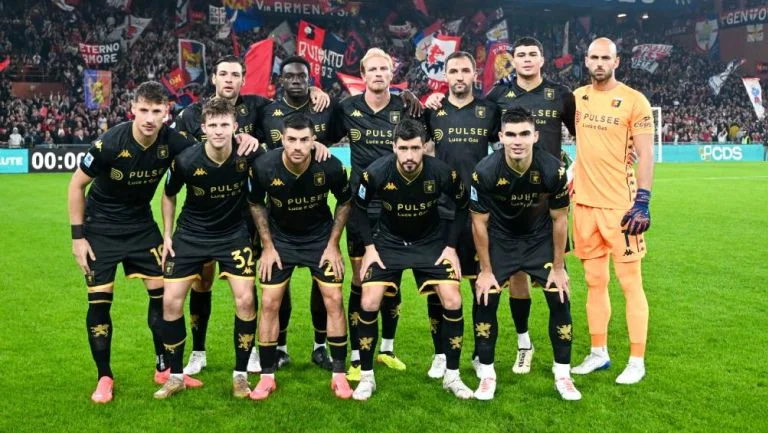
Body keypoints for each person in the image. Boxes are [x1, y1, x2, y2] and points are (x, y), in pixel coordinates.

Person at [171, 55, 330, 375]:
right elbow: (181, 158)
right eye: (223, 74)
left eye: (235, 75)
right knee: (202, 284)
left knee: (253, 284)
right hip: (202, 214)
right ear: (214, 78)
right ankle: (198, 352)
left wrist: (313, 92)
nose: (229, 80)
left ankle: (255, 348)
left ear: (243, 79)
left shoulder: (258, 107)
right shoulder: (191, 115)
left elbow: (291, 106)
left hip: (246, 213)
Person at [427, 37, 576, 374]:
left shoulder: (560, 94)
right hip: (478, 205)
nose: (527, 59)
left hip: (539, 202)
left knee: (534, 280)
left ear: (542, 58)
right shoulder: (496, 98)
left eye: (532, 54)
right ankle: (452, 353)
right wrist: (429, 99)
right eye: (520, 55)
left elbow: (581, 130)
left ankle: (528, 349)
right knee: (459, 280)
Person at [67, 82, 198, 403]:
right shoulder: (109, 143)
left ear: (167, 112)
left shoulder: (173, 142)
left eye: (157, 111)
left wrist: (245, 142)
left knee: (163, 297)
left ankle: (164, 368)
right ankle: (104, 376)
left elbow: (208, 153)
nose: (150, 118)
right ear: (133, 110)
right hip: (101, 229)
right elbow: (76, 186)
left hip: (141, 226)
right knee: (100, 302)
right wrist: (78, 238)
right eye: (144, 110)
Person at [352, 119, 472, 401]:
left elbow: (462, 204)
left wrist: (450, 247)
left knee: (453, 299)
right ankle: (367, 377)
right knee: (368, 301)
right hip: (388, 242)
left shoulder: (441, 172)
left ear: (424, 147)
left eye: (415, 148)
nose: (409, 155)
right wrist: (369, 247)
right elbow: (358, 207)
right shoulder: (376, 172)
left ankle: (452, 376)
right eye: (403, 148)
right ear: (394, 147)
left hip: (430, 243)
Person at [153, 98, 264, 399]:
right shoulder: (186, 161)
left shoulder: (248, 154)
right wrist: (167, 235)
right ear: (203, 128)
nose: (218, 131)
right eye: (213, 125)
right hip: (191, 235)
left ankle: (240, 375)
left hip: (232, 235)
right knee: (171, 302)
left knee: (246, 299)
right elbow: (168, 194)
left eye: (224, 125)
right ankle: (176, 376)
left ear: (235, 127)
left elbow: (275, 169)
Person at [471, 108, 580, 401]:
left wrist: (559, 267)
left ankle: (563, 374)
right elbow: (478, 223)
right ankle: (487, 375)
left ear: (535, 136)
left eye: (523, 134)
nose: (517, 141)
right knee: (485, 298)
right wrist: (485, 271)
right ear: (501, 137)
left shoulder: (553, 170)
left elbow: (560, 219)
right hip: (501, 240)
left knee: (559, 296)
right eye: (510, 134)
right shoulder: (485, 171)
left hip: (538, 239)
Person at [331, 48, 423, 380]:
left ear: (391, 73)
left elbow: (423, 144)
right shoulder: (347, 108)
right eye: (372, 69)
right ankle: (358, 356)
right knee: (361, 280)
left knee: (392, 279)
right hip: (361, 208)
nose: (379, 74)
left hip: (396, 207)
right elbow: (321, 134)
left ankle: (387, 349)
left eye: (384, 68)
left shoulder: (405, 107)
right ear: (363, 74)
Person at [247, 113, 354, 400]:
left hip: (319, 240)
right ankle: (267, 376)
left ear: (313, 141)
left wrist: (333, 244)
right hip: (280, 241)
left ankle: (339, 375)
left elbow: (345, 202)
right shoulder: (264, 166)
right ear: (282, 140)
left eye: (304, 140)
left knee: (334, 298)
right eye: (292, 139)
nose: (297, 146)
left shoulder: (330, 166)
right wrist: (267, 246)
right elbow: (255, 204)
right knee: (269, 302)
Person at [570, 37, 654, 385]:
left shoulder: (635, 100)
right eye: (594, 57)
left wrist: (643, 200)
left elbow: (646, 154)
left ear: (616, 61)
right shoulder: (576, 97)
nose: (599, 63)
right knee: (594, 282)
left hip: (621, 207)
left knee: (630, 283)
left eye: (606, 57)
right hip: (584, 205)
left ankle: (636, 360)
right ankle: (598, 352)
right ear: (586, 60)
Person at [422, 51, 500, 379]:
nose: (458, 76)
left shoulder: (489, 111)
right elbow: (420, 149)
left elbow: (505, 149)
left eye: (465, 70)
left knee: (483, 286)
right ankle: (440, 353)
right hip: (441, 212)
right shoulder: (433, 111)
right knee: (439, 288)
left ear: (474, 75)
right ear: (445, 76)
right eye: (453, 71)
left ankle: (482, 355)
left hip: (481, 212)